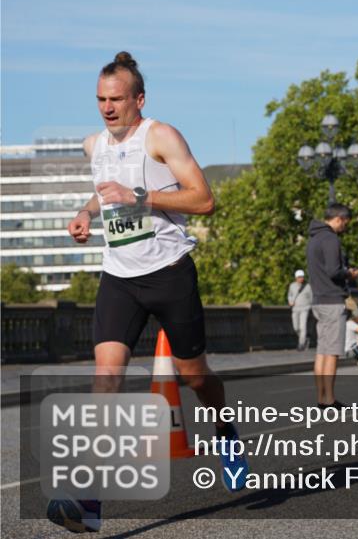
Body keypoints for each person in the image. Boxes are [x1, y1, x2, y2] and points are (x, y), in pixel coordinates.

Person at [53, 52, 248, 533]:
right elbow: (105, 190)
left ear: (139, 99)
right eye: (100, 99)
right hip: (119, 277)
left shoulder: (161, 136)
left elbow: (203, 199)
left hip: (169, 273)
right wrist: (86, 213)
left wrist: (140, 197)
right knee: (106, 378)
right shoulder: (93, 144)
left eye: (116, 99)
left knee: (195, 377)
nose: (107, 108)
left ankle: (224, 431)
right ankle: (89, 501)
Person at [306, 203, 358, 409]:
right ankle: (329, 399)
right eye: (345, 222)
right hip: (332, 300)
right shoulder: (330, 239)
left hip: (319, 299)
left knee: (322, 351)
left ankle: (322, 397)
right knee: (332, 352)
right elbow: (333, 271)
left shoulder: (314, 238)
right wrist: (349, 273)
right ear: (339, 219)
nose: (345, 227)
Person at [287, 269, 313, 351]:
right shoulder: (292, 286)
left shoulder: (308, 286)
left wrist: (309, 306)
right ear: (296, 278)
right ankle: (305, 339)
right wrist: (290, 301)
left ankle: (301, 344)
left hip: (304, 309)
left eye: (302, 277)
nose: (301, 279)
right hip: (295, 309)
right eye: (299, 277)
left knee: (303, 326)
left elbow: (311, 298)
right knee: (296, 327)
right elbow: (289, 295)